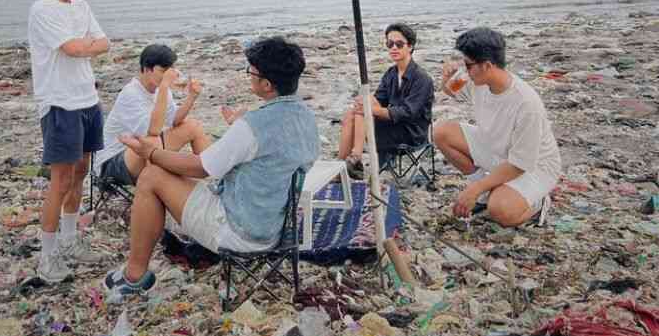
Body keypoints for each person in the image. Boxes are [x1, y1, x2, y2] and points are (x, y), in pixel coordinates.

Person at [102, 36, 320, 299]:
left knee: (151, 176)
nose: (248, 76)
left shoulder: (252, 126)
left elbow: (201, 168)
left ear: (266, 84)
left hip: (238, 230)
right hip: (276, 227)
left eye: (251, 72)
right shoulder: (306, 117)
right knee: (169, 170)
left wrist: (152, 153)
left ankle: (134, 276)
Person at [28, 0, 109, 283]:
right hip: (60, 104)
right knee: (60, 182)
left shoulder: (83, 7)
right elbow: (74, 48)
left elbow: (103, 42)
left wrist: (84, 46)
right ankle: (47, 257)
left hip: (87, 100)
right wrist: (84, 46)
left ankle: (70, 239)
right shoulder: (42, 10)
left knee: (80, 173)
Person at [434, 27, 561, 227]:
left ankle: (538, 204)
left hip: (532, 166)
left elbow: (520, 164)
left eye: (467, 65)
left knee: (500, 211)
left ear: (487, 65)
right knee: (440, 132)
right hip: (495, 145)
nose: (464, 70)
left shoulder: (526, 104)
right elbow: (450, 90)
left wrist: (474, 189)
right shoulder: (478, 80)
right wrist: (446, 77)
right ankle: (486, 191)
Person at [95, 43, 211, 187]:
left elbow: (174, 120)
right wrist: (164, 86)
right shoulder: (130, 93)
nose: (167, 76)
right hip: (112, 163)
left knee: (192, 126)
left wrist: (192, 97)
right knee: (152, 140)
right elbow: (152, 131)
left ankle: (212, 177)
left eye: (169, 70)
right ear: (147, 69)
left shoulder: (160, 90)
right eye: (163, 70)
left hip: (144, 152)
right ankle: (157, 190)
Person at [338, 22, 433, 179]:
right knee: (354, 111)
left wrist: (371, 109)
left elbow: (407, 113)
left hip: (410, 133)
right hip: (392, 126)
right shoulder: (391, 74)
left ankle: (353, 159)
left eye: (399, 44)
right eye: (390, 44)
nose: (393, 48)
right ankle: (345, 164)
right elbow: (379, 99)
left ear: (410, 46)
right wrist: (364, 103)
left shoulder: (422, 79)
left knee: (362, 111)